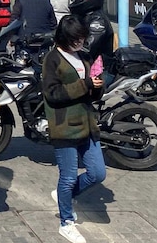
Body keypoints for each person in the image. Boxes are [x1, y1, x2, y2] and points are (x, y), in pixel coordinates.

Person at [41, 15, 106, 243]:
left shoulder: (84, 57)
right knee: (67, 178)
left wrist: (97, 84)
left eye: (83, 38)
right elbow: (52, 94)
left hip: (87, 124)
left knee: (97, 173)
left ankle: (63, 197)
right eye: (77, 38)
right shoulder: (52, 59)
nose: (81, 42)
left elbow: (93, 93)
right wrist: (85, 84)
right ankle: (66, 222)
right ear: (65, 37)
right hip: (64, 127)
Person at [67, 0, 115, 80]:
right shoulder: (85, 16)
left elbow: (88, 47)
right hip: (88, 64)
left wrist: (66, 51)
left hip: (100, 70)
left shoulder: (97, 21)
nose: (74, 2)